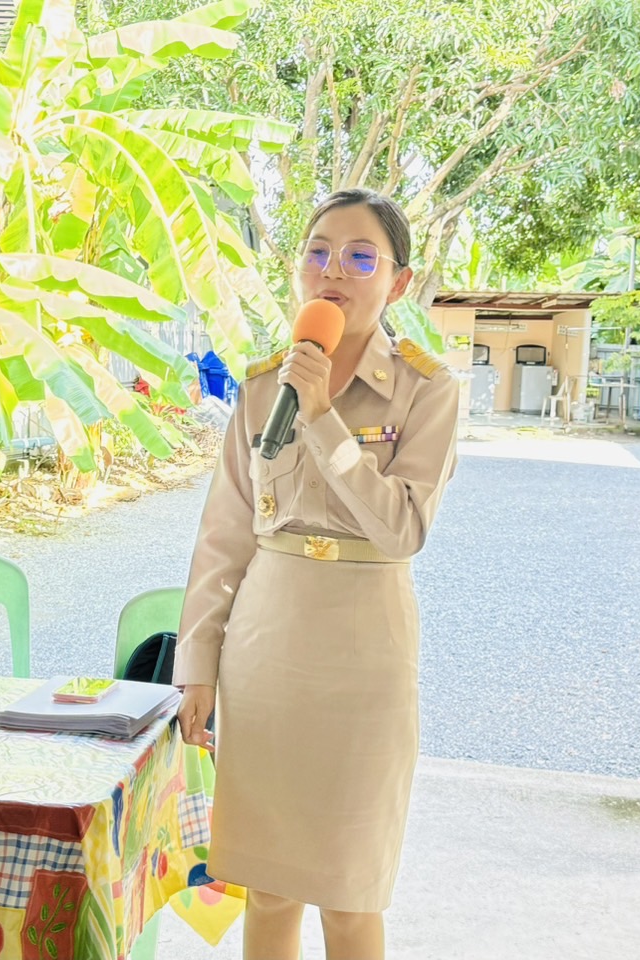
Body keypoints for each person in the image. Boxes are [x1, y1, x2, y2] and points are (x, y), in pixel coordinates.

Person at [173, 189, 460, 959]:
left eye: (361, 256)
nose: (335, 269)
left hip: (365, 657)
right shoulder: (263, 382)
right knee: (267, 889)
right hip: (267, 653)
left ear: (398, 283)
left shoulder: (429, 389)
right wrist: (196, 662)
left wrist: (325, 414)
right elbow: (225, 534)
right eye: (318, 251)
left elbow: (401, 527)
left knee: (349, 890)